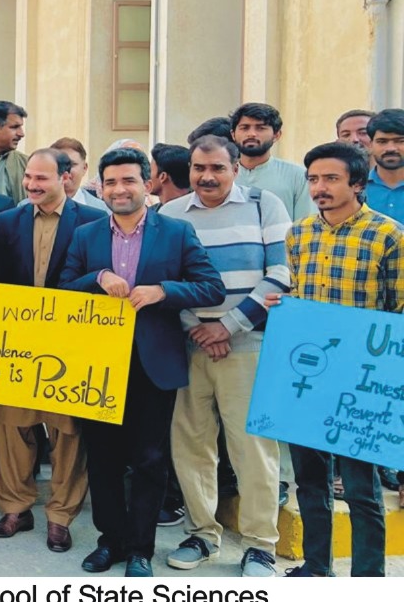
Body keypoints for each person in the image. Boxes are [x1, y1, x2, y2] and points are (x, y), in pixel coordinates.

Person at [59, 147, 225, 577]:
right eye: (111, 182)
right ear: (101, 185)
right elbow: (62, 291)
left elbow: (211, 288)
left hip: (154, 362)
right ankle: (109, 541)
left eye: (129, 180)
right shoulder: (87, 235)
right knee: (103, 458)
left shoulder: (176, 231)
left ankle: (140, 550)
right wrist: (97, 278)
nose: (119, 189)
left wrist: (163, 291)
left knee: (150, 459)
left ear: (147, 183)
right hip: (98, 365)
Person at [155, 135, 290, 578]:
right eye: (198, 168)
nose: (206, 177)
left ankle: (259, 544)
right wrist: (198, 326)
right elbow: (164, 278)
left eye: (217, 168)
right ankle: (203, 533)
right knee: (191, 444)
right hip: (189, 344)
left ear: (236, 167)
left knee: (252, 448)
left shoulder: (262, 204)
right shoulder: (172, 213)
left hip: (247, 344)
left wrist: (228, 326)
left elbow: (280, 276)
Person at [271, 142, 401, 577]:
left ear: (357, 183)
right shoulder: (300, 233)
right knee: (310, 479)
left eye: (331, 179)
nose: (320, 188)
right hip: (308, 373)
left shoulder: (389, 235)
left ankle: (367, 578)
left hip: (361, 379)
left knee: (361, 489)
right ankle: (315, 566)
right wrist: (282, 304)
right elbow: (299, 294)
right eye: (313, 180)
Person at [0, 148, 106, 552]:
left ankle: (60, 516)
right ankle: (15, 509)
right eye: (30, 178)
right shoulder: (8, 222)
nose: (33, 185)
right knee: (11, 427)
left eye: (42, 178)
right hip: (17, 344)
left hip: (68, 343)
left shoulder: (93, 222)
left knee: (67, 432)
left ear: (66, 178)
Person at [231, 102, 313, 220]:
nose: (251, 134)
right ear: (233, 134)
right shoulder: (222, 175)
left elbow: (305, 225)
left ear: (277, 135)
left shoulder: (298, 176)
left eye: (260, 128)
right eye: (244, 128)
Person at [365, 108, 404, 221]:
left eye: (400, 141)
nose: (390, 148)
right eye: (382, 141)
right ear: (371, 145)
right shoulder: (355, 188)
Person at [50, 137, 101, 207]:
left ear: (84, 168)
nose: (65, 171)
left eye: (72, 164)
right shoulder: (31, 208)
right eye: (59, 164)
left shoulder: (102, 210)